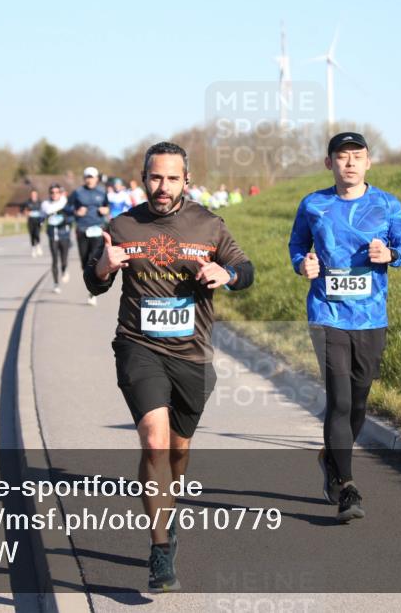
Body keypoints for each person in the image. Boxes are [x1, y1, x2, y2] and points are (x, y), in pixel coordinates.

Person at [85, 141, 254, 592]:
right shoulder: (122, 224)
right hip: (138, 346)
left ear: (186, 181)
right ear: (144, 179)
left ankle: (168, 506)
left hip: (192, 355)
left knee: (178, 451)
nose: (163, 187)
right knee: (155, 442)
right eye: (155, 177)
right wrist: (103, 266)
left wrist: (228, 275)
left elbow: (245, 267)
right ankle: (161, 548)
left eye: (172, 178)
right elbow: (94, 280)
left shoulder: (209, 224)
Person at [288, 131, 401, 523]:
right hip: (327, 313)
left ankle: (330, 457)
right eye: (341, 157)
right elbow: (296, 245)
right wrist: (302, 264)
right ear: (329, 163)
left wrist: (390, 253)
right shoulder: (314, 204)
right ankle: (346, 485)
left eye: (357, 156)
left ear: (368, 162)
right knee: (340, 399)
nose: (349, 163)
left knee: (359, 400)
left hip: (371, 315)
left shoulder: (387, 204)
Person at [68, 166, 110, 305]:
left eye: (92, 177)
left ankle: (92, 292)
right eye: (87, 177)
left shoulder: (102, 192)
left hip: (98, 228)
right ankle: (89, 279)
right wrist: (76, 212)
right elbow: (67, 208)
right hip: (82, 229)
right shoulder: (77, 192)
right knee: (84, 261)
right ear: (84, 178)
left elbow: (108, 206)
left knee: (94, 258)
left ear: (96, 178)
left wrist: (105, 210)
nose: (89, 180)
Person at [41, 184, 72, 293]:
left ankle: (64, 270)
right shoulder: (45, 205)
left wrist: (64, 220)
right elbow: (43, 216)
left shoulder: (65, 203)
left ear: (60, 193)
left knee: (64, 259)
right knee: (54, 260)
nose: (54, 194)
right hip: (53, 236)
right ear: (49, 194)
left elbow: (71, 217)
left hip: (64, 235)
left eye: (56, 192)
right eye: (52, 192)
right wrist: (41, 222)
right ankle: (56, 284)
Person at [22, 188, 44, 257]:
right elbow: (24, 211)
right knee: (32, 235)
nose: (33, 195)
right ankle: (33, 249)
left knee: (37, 234)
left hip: (38, 221)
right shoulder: (27, 202)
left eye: (34, 194)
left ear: (36, 195)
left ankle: (38, 246)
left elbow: (43, 211)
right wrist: (27, 213)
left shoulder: (40, 202)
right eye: (32, 194)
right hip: (30, 221)